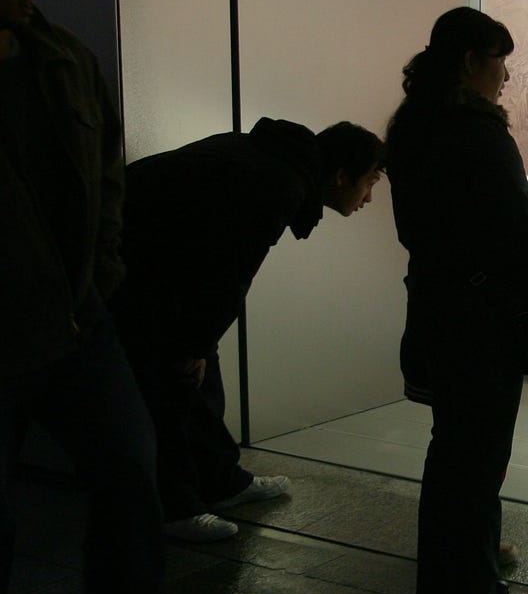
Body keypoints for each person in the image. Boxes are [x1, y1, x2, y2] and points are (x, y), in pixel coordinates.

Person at [0, 0, 197, 594]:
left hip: (78, 319)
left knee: (128, 466)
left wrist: (101, 271)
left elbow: (107, 175)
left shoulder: (63, 61)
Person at [110, 120, 384, 541]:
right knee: (173, 385)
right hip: (134, 265)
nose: (369, 197)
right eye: (370, 181)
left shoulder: (273, 161)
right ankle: (174, 509)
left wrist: (198, 344)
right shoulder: (277, 182)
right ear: (341, 175)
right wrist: (192, 346)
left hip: (149, 259)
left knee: (198, 371)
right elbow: (226, 273)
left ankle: (221, 482)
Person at [386, 7, 528, 594]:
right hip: (484, 321)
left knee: (452, 450)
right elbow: (516, 225)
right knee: (477, 458)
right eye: (500, 61)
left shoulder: (412, 122)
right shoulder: (477, 131)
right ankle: (471, 593)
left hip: (439, 307)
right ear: (471, 62)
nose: (506, 76)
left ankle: (451, 574)